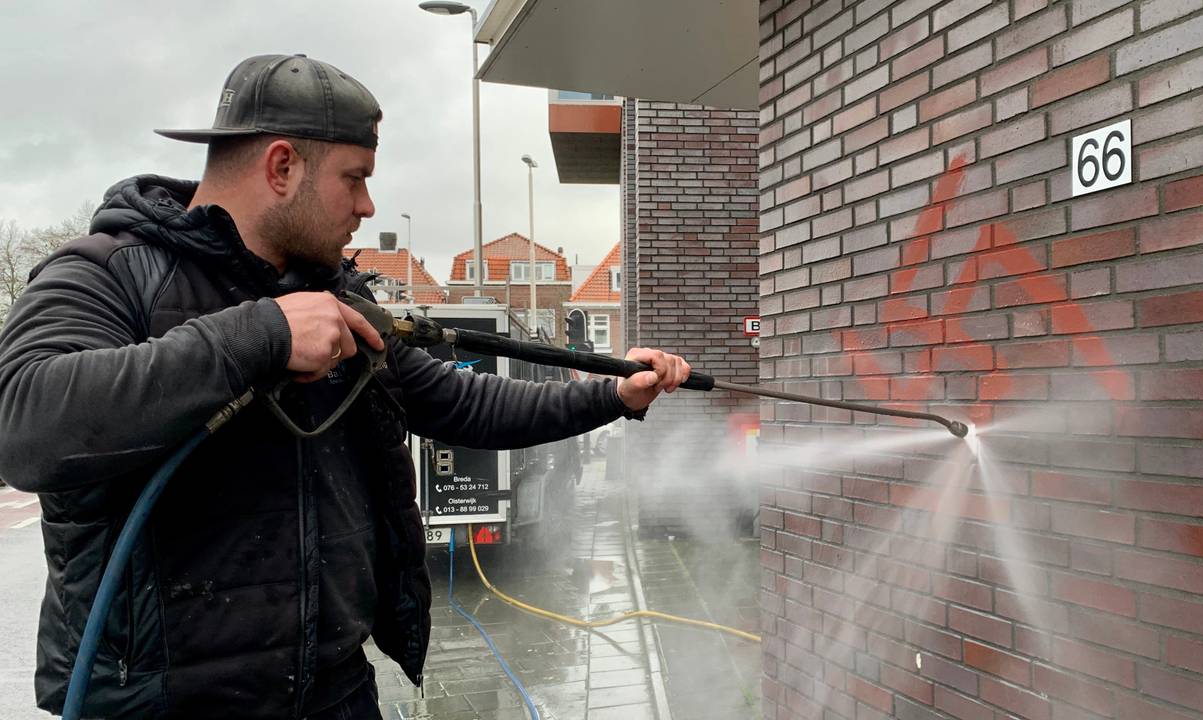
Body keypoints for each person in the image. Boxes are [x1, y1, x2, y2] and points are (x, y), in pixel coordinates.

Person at [0, 54, 690, 719]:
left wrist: (612, 394)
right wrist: (260, 335)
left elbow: (462, 403)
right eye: (354, 178)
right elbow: (23, 424)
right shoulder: (107, 275)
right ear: (281, 166)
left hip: (333, 693)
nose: (367, 204)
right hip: (161, 705)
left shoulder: (338, 301)